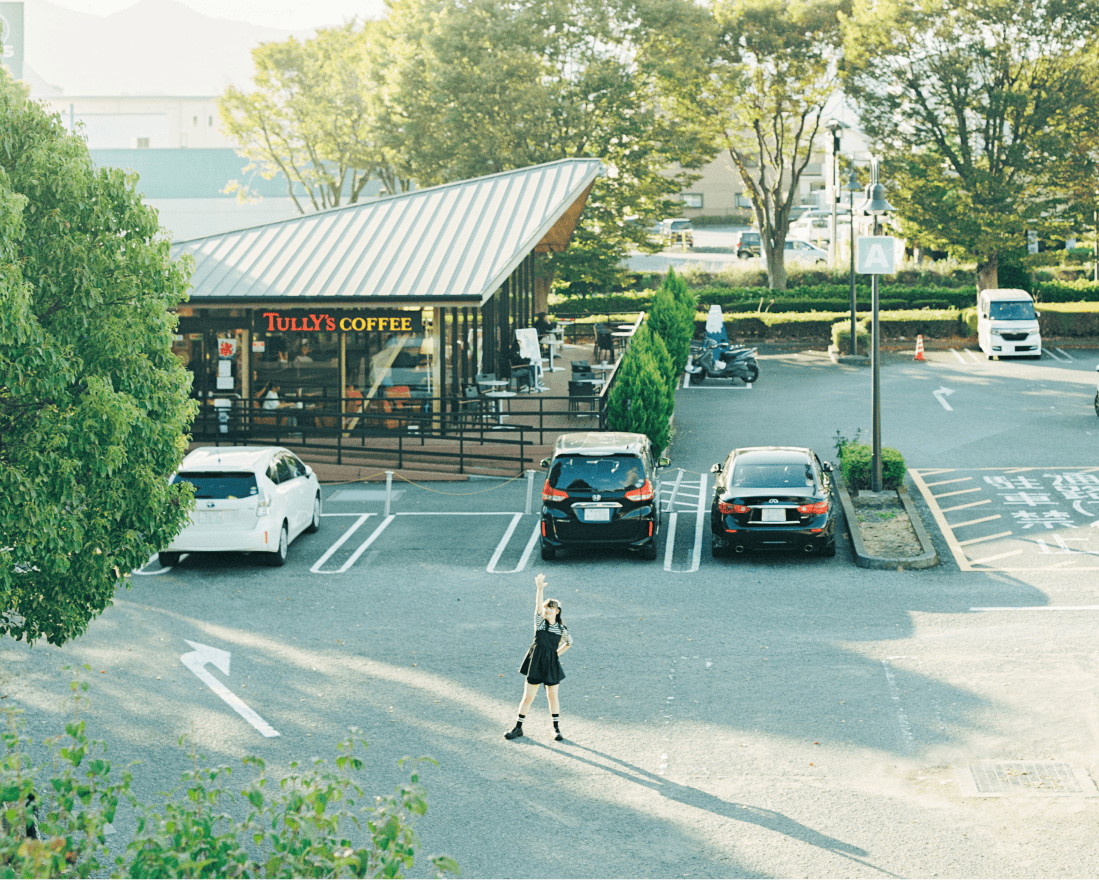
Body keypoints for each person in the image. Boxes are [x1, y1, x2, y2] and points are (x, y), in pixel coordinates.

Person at [505, 573, 572, 742]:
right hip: (535, 663)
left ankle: (556, 729)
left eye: (551, 607)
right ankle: (518, 727)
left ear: (557, 611)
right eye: (546, 607)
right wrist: (540, 589)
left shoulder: (562, 629)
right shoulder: (540, 623)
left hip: (551, 664)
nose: (548, 610)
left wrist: (556, 654)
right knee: (528, 696)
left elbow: (569, 642)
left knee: (552, 696)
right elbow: (537, 607)